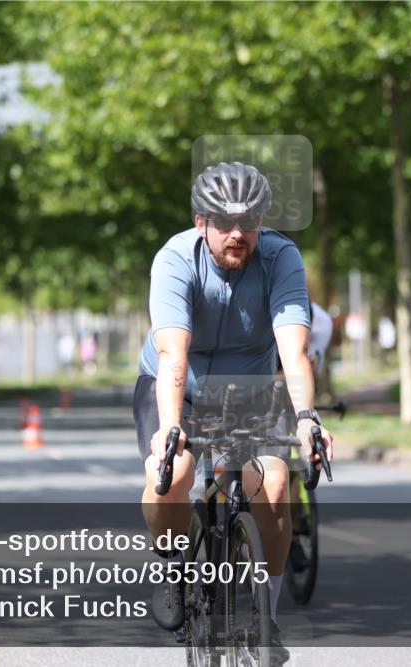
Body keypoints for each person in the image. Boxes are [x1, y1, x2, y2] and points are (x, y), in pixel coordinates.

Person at [134, 161, 334, 662]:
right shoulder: (175, 260)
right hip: (177, 389)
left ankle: (267, 619)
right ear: (201, 222)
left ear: (262, 221)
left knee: (275, 483)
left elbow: (294, 351)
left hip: (248, 391)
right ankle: (171, 564)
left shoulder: (281, 258)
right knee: (173, 471)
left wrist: (306, 418)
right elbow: (172, 355)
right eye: (224, 222)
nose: (238, 233)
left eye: (249, 221)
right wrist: (171, 427)